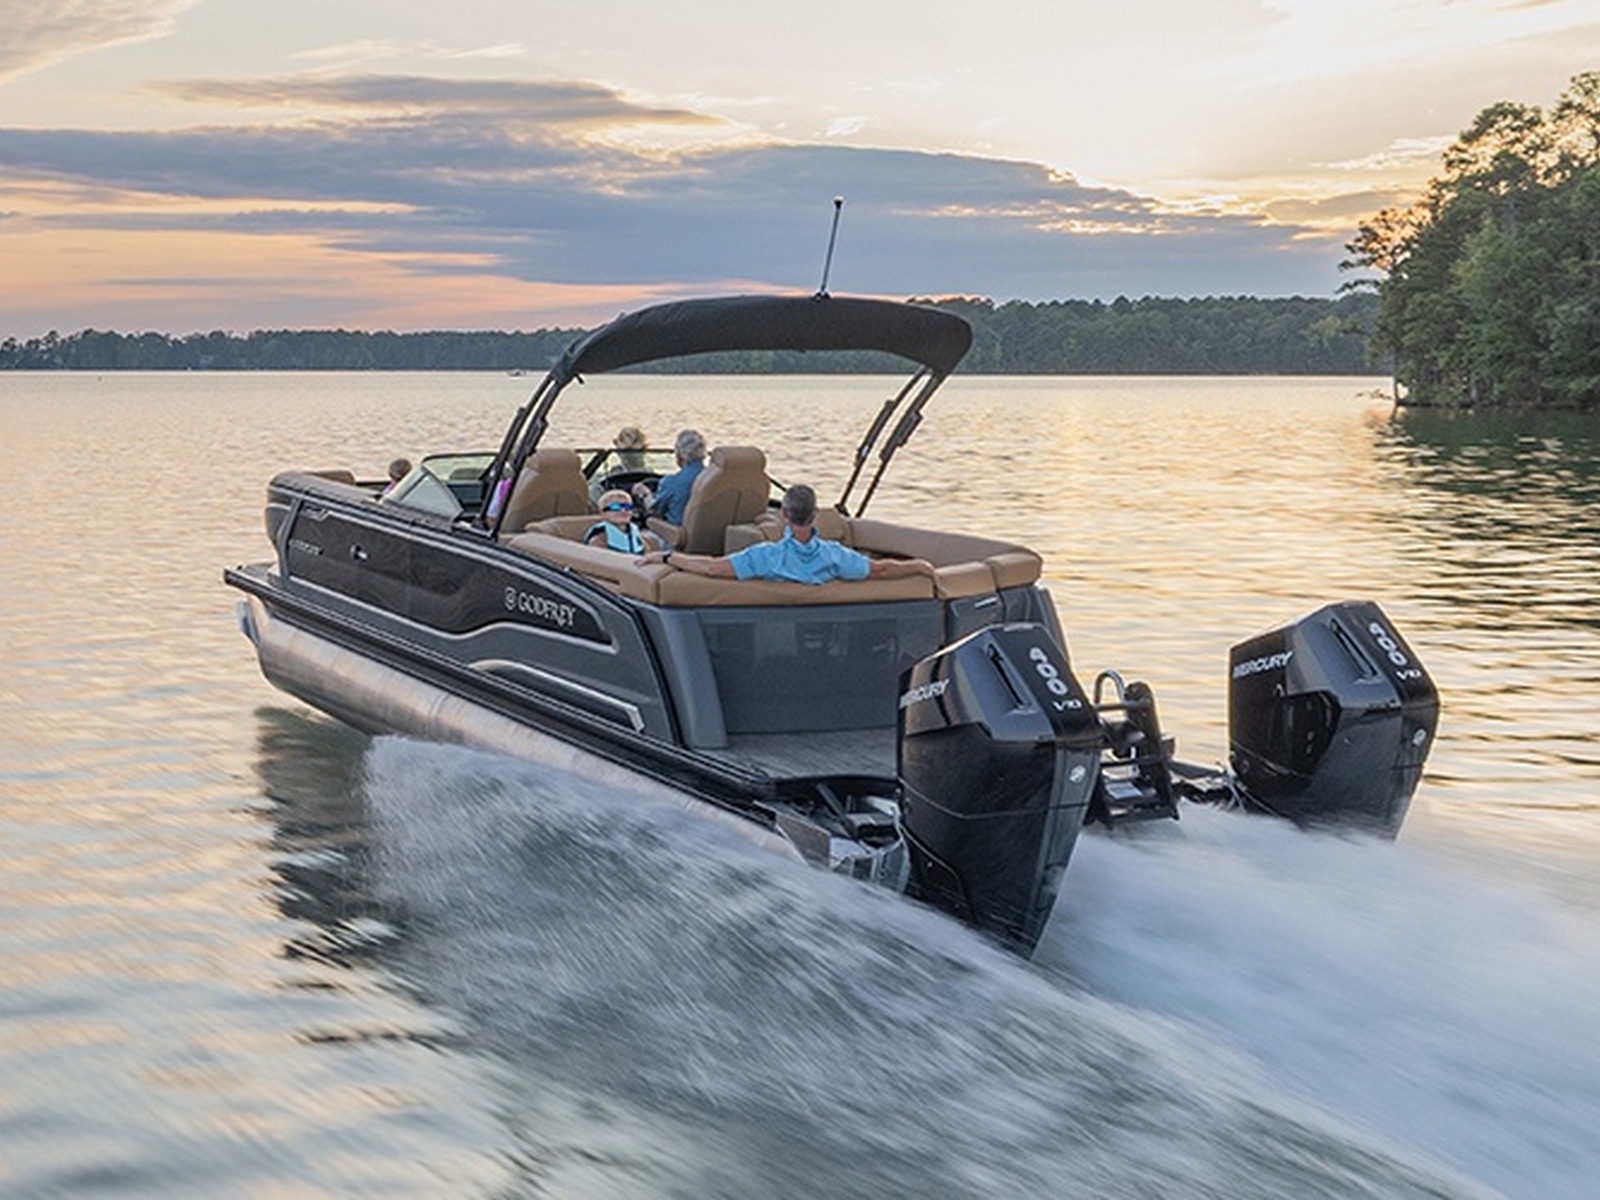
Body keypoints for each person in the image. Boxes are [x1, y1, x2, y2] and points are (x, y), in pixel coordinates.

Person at [636, 483, 935, 585]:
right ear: (814, 515)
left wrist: (667, 557)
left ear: (783, 515)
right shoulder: (836, 556)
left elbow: (712, 568)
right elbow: (882, 570)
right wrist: (920, 566)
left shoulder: (766, 556)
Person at [632, 428, 705, 525]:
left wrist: (646, 494)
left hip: (675, 532)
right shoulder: (715, 479)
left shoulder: (671, 482)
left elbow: (654, 511)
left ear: (679, 456)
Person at [585, 489, 662, 554]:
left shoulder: (636, 535)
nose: (623, 510)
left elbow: (647, 552)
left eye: (627, 507)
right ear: (603, 513)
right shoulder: (600, 539)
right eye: (615, 507)